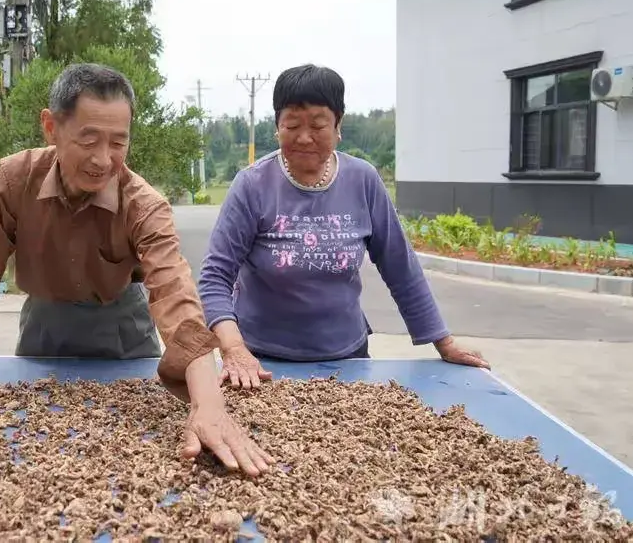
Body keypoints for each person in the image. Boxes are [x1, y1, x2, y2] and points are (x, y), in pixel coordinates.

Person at [0, 63, 273, 476]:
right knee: (31, 451)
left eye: (118, 143)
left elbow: (176, 297)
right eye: (89, 140)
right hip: (43, 328)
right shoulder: (11, 182)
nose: (103, 159)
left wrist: (208, 406)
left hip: (125, 330)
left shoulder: (143, 204)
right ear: (51, 127)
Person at [198, 64, 490, 390]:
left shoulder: (363, 180)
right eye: (291, 125)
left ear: (339, 125)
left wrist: (443, 342)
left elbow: (400, 267)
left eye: (318, 125)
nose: (304, 137)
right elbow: (215, 277)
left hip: (347, 358)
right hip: (260, 363)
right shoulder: (251, 185)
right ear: (277, 126)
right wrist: (234, 349)